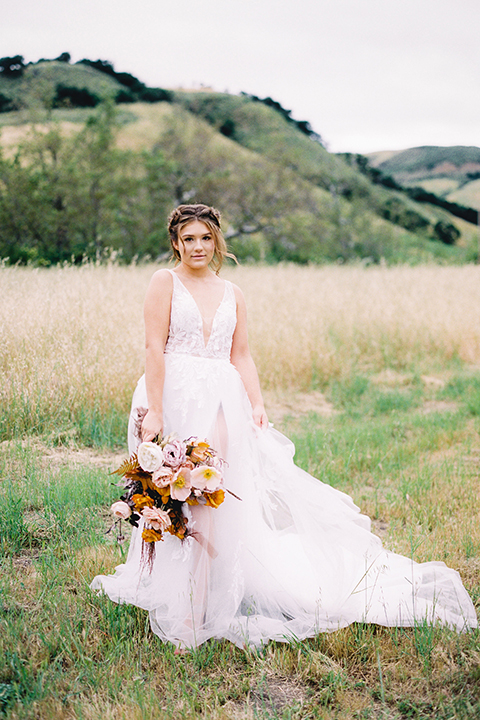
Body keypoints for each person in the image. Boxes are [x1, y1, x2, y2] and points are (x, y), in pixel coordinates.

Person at [91, 204, 477, 649]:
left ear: (216, 241)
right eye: (188, 239)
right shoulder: (164, 282)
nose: (197, 247)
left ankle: (199, 607)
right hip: (173, 394)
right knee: (169, 493)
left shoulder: (232, 291)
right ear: (176, 242)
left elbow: (242, 355)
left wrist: (256, 403)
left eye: (205, 238)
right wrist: (154, 411)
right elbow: (152, 347)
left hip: (222, 399)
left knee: (210, 493)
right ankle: (180, 592)